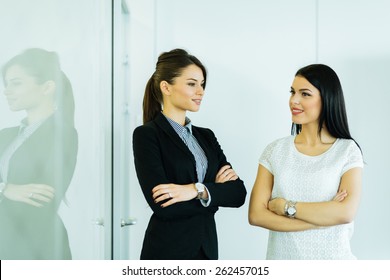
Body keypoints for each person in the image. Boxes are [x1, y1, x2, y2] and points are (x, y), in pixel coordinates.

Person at [133, 48, 247, 260]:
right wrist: (213, 194)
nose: (201, 91)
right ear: (166, 87)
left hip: (207, 250)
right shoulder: (147, 135)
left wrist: (195, 190)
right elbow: (163, 206)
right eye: (192, 83)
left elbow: (238, 194)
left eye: (202, 84)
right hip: (168, 252)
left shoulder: (206, 137)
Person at [248, 64, 364, 259]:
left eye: (305, 94)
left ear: (327, 99)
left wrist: (285, 207)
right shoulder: (275, 151)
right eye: (292, 92)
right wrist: (320, 219)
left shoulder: (347, 151)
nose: (294, 100)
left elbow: (345, 213)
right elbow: (256, 215)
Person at [0, 48, 78, 259]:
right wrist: (6, 189)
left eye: (16, 83)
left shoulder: (63, 134)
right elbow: (13, 192)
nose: (6, 91)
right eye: (6, 84)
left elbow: (43, 196)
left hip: (38, 246)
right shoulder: (5, 136)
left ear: (47, 87)